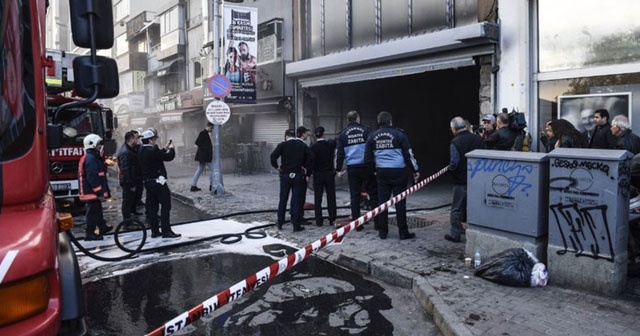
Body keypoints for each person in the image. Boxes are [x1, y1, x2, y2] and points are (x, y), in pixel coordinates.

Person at [365, 111, 419, 240]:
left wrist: (374, 171)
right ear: (390, 121)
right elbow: (408, 155)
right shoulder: (399, 134)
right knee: (400, 203)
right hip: (398, 173)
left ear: (379, 122)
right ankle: (403, 232)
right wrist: (415, 170)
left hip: (382, 173)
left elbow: (367, 158)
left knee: (382, 203)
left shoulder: (372, 136)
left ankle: (383, 232)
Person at [336, 110, 379, 231]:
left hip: (353, 168)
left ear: (347, 120)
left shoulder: (342, 134)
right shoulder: (366, 130)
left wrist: (338, 169)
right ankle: (377, 223)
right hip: (367, 167)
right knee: (373, 194)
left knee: (355, 196)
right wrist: (375, 166)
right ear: (358, 118)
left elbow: (340, 154)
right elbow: (373, 148)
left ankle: (357, 224)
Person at [445, 117, 486, 243]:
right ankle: (478, 233)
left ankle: (455, 234)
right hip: (477, 180)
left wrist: (449, 170)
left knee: (457, 207)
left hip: (461, 181)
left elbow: (454, 162)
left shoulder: (455, 142)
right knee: (475, 206)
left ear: (454, 128)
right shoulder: (478, 139)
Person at [138, 129, 181, 238]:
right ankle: (166, 231)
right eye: (154, 139)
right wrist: (171, 149)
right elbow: (167, 157)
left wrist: (164, 148)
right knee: (166, 205)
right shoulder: (153, 150)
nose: (155, 141)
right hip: (158, 182)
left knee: (152, 208)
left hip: (148, 182)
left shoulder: (141, 150)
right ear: (150, 140)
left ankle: (155, 231)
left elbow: (157, 156)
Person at [270, 128, 313, 232]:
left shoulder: (282, 145)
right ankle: (296, 225)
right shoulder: (302, 145)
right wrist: (305, 166)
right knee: (297, 201)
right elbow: (311, 156)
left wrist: (277, 167)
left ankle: (280, 222)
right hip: (298, 175)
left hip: (285, 175)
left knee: (283, 199)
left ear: (286, 136)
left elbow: (273, 156)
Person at [78, 134, 112, 240]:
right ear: (92, 145)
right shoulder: (91, 159)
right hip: (91, 192)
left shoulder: (92, 157)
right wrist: (99, 193)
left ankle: (102, 227)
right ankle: (90, 233)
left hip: (91, 191)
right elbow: (93, 177)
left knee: (97, 210)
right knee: (92, 212)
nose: (100, 146)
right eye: (98, 144)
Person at [310, 126, 337, 226]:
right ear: (324, 133)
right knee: (331, 197)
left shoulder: (312, 147)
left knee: (318, 198)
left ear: (315, 135)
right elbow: (335, 143)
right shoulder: (329, 145)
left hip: (317, 174)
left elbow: (310, 162)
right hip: (329, 174)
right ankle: (332, 218)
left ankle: (319, 220)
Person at [117, 131, 142, 221]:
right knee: (127, 201)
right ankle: (127, 221)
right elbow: (125, 170)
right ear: (131, 139)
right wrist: (131, 184)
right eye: (136, 138)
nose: (137, 140)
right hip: (127, 181)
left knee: (132, 199)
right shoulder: (125, 152)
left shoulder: (131, 149)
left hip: (133, 178)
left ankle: (132, 213)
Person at [190, 122, 214, 192]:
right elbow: (197, 142)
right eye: (211, 128)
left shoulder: (206, 133)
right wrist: (205, 148)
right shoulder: (203, 133)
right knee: (212, 169)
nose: (212, 129)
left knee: (200, 170)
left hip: (204, 156)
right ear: (208, 126)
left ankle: (193, 185)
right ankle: (211, 185)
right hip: (204, 156)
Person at [295, 126, 312, 224]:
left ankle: (294, 215)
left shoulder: (290, 144)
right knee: (301, 197)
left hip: (291, 175)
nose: (307, 135)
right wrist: (307, 171)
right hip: (301, 175)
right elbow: (311, 158)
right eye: (306, 133)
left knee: (295, 197)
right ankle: (299, 218)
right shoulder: (303, 146)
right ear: (303, 134)